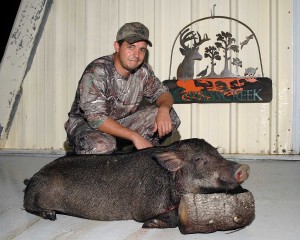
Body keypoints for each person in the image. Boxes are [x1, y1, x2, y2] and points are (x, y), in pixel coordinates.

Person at [64, 22, 181, 154]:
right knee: (102, 145)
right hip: (87, 126)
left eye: (142, 49)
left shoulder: (143, 71)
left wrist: (164, 109)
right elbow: (96, 119)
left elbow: (163, 94)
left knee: (170, 116)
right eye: (131, 47)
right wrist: (134, 136)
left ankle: (138, 159)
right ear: (117, 46)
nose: (136, 55)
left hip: (119, 124)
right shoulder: (97, 71)